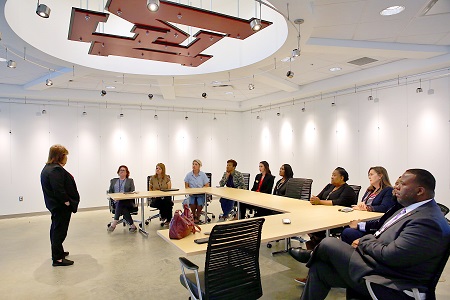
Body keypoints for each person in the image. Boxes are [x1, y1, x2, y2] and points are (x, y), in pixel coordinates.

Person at [299, 169, 450, 300]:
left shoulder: (428, 220)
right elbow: (382, 232)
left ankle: (313, 254)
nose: (396, 187)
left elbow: (392, 255)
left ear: (419, 191)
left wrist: (364, 241)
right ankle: (314, 255)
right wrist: (369, 240)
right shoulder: (409, 209)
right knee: (320, 269)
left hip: (393, 284)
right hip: (378, 265)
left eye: (402, 184)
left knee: (329, 243)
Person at [40, 144, 80, 267]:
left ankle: (59, 252)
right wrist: (66, 201)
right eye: (65, 156)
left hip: (55, 205)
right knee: (59, 231)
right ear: (59, 156)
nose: (66, 158)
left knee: (56, 229)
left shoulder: (48, 168)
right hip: (60, 206)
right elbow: (58, 189)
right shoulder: (55, 170)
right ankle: (57, 259)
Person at [304, 167, 356, 248]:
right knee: (307, 221)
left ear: (342, 178)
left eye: (334, 175)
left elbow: (337, 202)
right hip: (323, 214)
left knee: (315, 224)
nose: (332, 177)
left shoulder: (348, 190)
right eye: (332, 175)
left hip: (337, 219)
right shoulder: (329, 186)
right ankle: (316, 242)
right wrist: (314, 199)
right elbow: (319, 197)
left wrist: (320, 202)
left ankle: (318, 244)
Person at [341, 176, 401, 245]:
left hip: (379, 238)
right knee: (349, 226)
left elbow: (383, 213)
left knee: (344, 233)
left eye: (372, 174)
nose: (396, 188)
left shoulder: (388, 191)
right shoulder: (395, 206)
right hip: (372, 226)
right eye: (396, 184)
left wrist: (360, 225)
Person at [107, 165, 139, 233]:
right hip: (116, 201)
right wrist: (114, 199)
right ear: (118, 172)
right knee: (122, 207)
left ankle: (114, 223)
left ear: (127, 173)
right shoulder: (113, 181)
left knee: (121, 202)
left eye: (123, 170)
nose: (121, 171)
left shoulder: (130, 181)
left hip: (127, 201)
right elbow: (110, 192)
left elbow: (132, 191)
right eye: (120, 170)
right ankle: (132, 226)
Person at [184, 159, 210, 224]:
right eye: (193, 164)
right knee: (192, 202)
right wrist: (190, 191)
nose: (194, 166)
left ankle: (198, 216)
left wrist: (201, 189)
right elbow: (186, 186)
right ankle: (194, 215)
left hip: (200, 194)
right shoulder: (189, 175)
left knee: (199, 202)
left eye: (196, 164)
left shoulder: (203, 175)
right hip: (192, 194)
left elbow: (207, 185)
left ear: (199, 166)